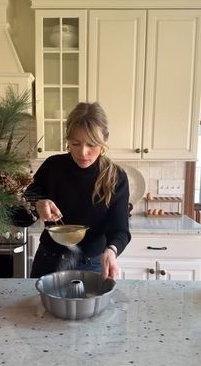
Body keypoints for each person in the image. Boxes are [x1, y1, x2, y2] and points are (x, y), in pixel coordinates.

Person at [17, 102, 131, 279]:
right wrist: (36, 206)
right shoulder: (52, 168)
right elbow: (17, 217)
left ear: (104, 142)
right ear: (67, 140)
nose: (83, 152)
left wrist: (112, 250)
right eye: (75, 143)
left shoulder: (116, 177)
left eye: (92, 144)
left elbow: (120, 230)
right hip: (49, 262)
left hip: (94, 264)